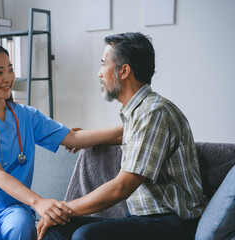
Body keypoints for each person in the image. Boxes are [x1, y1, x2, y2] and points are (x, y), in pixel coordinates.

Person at [0, 43, 123, 240]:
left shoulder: (26, 116)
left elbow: (74, 138)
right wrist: (38, 201)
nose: (8, 78)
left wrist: (128, 129)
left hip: (13, 206)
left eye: (10, 70)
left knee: (20, 230)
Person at [38, 32, 208, 240]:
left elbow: (121, 187)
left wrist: (62, 208)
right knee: (57, 229)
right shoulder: (138, 112)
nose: (100, 73)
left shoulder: (154, 113)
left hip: (171, 221)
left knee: (84, 234)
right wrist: (85, 138)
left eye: (103, 64)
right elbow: (125, 135)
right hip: (141, 218)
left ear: (124, 71)